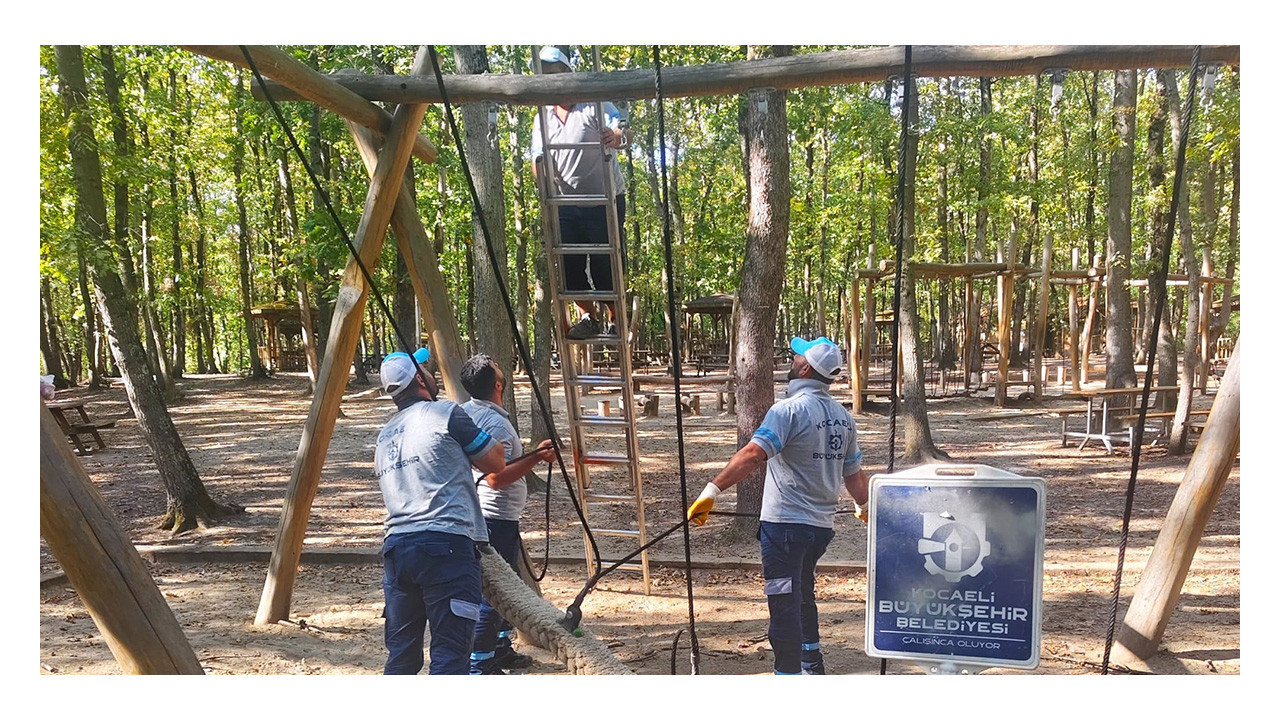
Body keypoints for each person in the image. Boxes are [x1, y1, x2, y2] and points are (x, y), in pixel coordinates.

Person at [687, 337, 870, 675]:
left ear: (806, 368)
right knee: (802, 591)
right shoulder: (844, 418)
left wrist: (713, 489)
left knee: (783, 600)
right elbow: (854, 473)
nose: (792, 359)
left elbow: (754, 454)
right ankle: (811, 663)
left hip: (784, 525)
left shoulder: (787, 410)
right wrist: (863, 504)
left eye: (797, 356)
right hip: (819, 529)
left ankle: (787, 674)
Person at [374, 350, 508, 675]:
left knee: (402, 659)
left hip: (396, 553)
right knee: (450, 656)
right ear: (420, 380)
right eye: (425, 369)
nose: (432, 371)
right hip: (446, 549)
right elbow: (495, 463)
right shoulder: (445, 413)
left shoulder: (384, 435)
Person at [459, 354, 557, 674]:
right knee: (496, 594)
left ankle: (501, 648)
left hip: (494, 516)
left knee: (508, 587)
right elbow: (496, 477)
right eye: (501, 369)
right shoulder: (496, 423)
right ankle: (481, 663)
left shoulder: (467, 412)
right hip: (494, 517)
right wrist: (537, 458)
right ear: (498, 385)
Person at [531, 46, 631, 339]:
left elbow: (621, 128)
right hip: (566, 202)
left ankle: (614, 319)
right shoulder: (543, 117)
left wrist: (616, 136)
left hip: (604, 199)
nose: (551, 81)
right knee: (569, 267)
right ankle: (588, 317)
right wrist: (544, 184)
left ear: (567, 73)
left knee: (606, 265)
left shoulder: (593, 104)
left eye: (555, 73)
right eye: (545, 75)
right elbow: (538, 157)